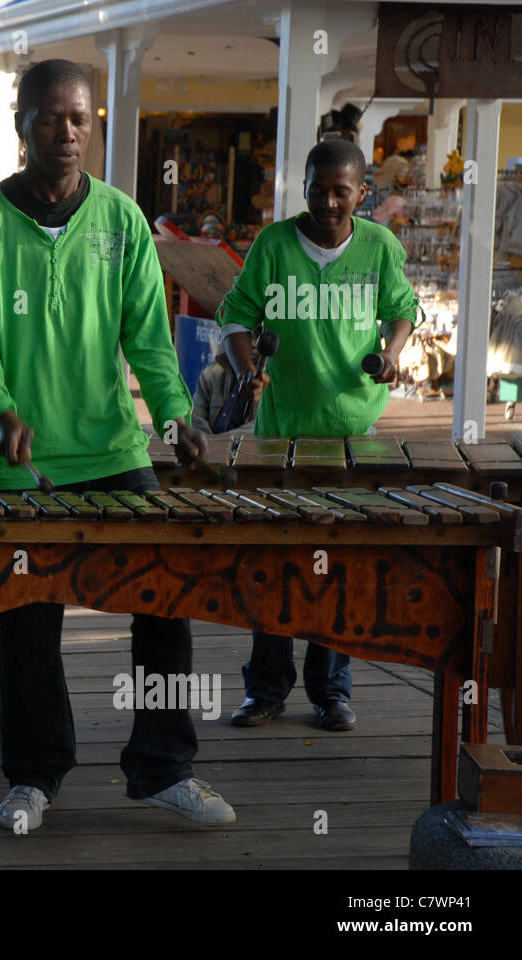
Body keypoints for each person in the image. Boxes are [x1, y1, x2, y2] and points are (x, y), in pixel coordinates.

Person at [0, 59, 235, 831]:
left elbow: (149, 340)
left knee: (165, 594)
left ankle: (162, 767)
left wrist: (176, 419)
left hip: (112, 451)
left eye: (80, 119)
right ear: (19, 126)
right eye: (50, 118)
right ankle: (34, 776)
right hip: (20, 462)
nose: (67, 132)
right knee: (27, 620)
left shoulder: (120, 220)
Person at [216, 137, 418, 732]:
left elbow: (403, 307)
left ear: (362, 192)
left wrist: (392, 350)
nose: (328, 201)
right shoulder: (273, 246)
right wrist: (246, 366)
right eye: (317, 189)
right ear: (301, 188)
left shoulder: (379, 246)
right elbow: (236, 315)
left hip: (355, 433)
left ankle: (332, 689)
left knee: (340, 565)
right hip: (280, 435)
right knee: (277, 562)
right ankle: (267, 689)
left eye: (341, 191)